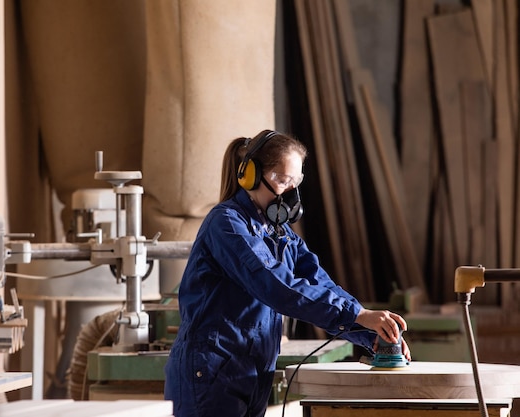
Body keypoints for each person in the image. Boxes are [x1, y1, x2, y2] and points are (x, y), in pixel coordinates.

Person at [163, 129, 411, 417]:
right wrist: (356, 314)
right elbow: (275, 285)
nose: (290, 193)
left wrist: (369, 333)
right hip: (209, 376)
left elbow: (318, 282)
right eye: (282, 181)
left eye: (295, 183)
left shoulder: (280, 233)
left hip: (250, 374)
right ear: (250, 176)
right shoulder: (227, 224)